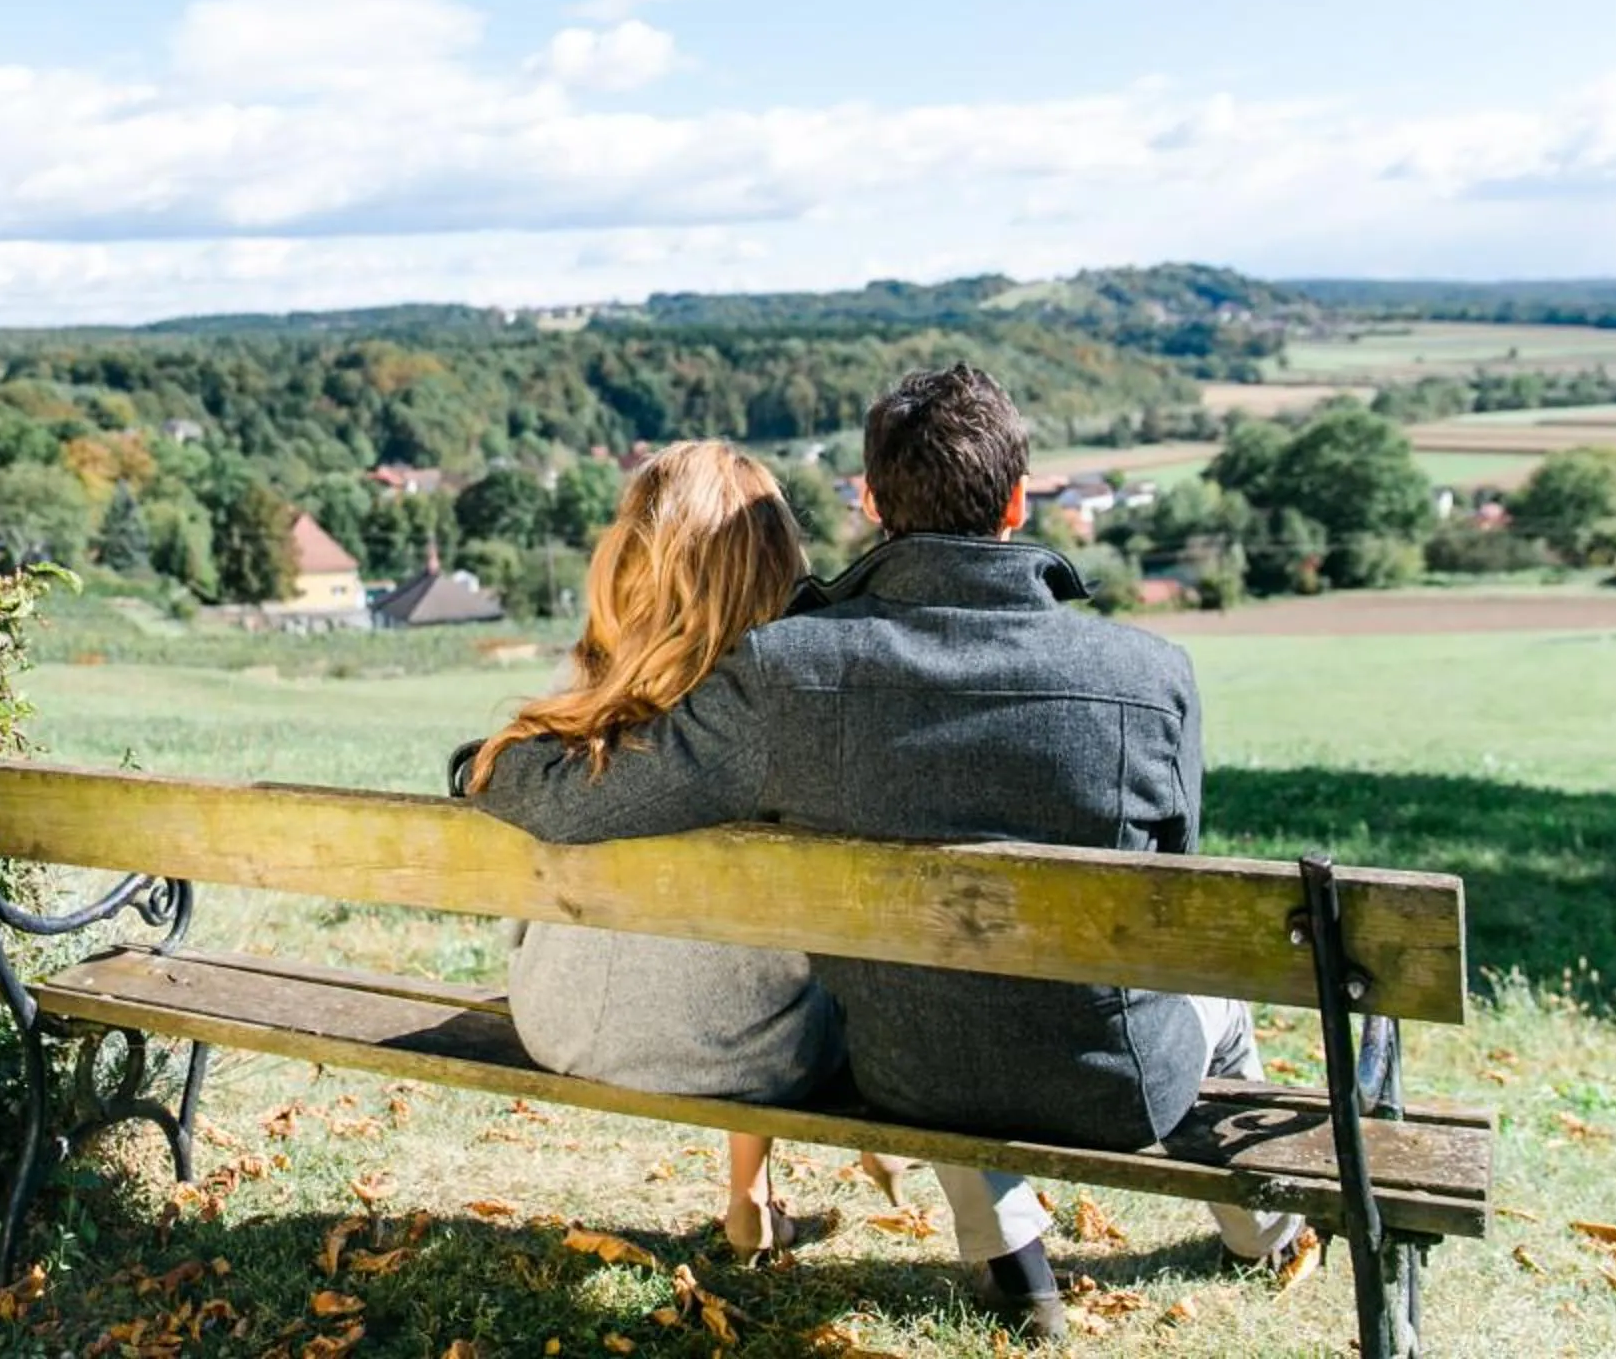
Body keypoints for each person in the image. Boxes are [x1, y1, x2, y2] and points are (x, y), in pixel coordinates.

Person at [461, 368, 1308, 1345]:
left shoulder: (793, 671)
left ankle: (1011, 1241)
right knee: (1214, 1002)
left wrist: (482, 766)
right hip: (1122, 1085)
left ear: (871, 500)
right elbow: (1175, 895)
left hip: (907, 1071)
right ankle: (1267, 1232)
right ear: (1018, 501)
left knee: (934, 976)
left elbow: (589, 797)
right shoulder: (1153, 675)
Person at [463, 440, 909, 1256]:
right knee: (786, 959)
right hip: (745, 1052)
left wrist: (476, 766)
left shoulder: (583, 690)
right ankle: (759, 1193)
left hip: (556, 1021)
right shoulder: (782, 705)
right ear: (774, 557)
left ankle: (751, 1202)